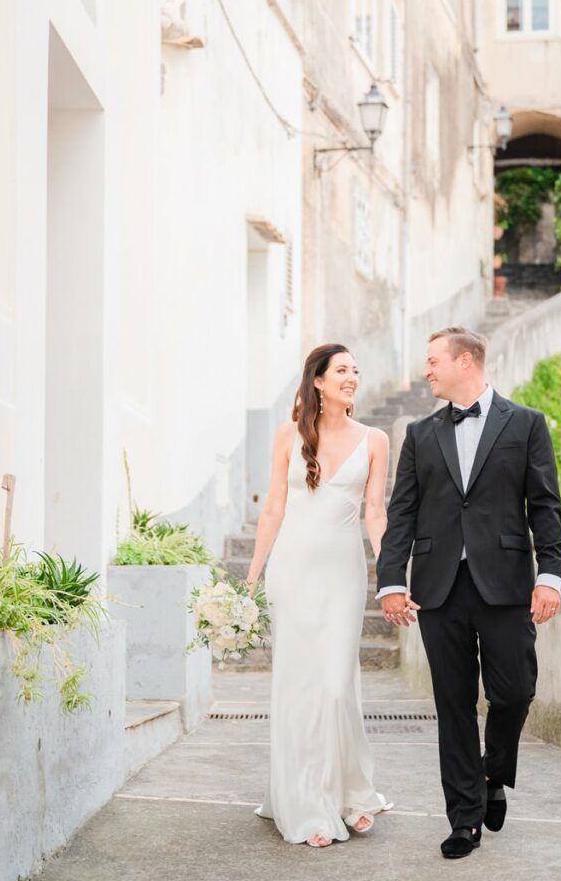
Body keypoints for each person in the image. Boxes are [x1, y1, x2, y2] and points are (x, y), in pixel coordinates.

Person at [377, 326, 561, 859]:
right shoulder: (419, 433)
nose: (427, 370)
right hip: (438, 589)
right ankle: (464, 819)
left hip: (506, 585)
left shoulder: (526, 424)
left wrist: (550, 574)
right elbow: (402, 513)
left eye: (434, 360)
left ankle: (493, 772)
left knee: (514, 691)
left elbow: (545, 506)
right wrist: (392, 581)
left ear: (466, 361)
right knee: (453, 704)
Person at [247, 343, 393, 847]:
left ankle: (351, 792)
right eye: (342, 370)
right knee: (299, 686)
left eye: (356, 369)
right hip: (290, 572)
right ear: (318, 381)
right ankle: (308, 804)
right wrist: (251, 578)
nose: (352, 377)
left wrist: (391, 572)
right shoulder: (289, 435)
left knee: (335, 686)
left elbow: (376, 512)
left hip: (343, 575)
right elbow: (273, 509)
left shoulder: (375, 439)